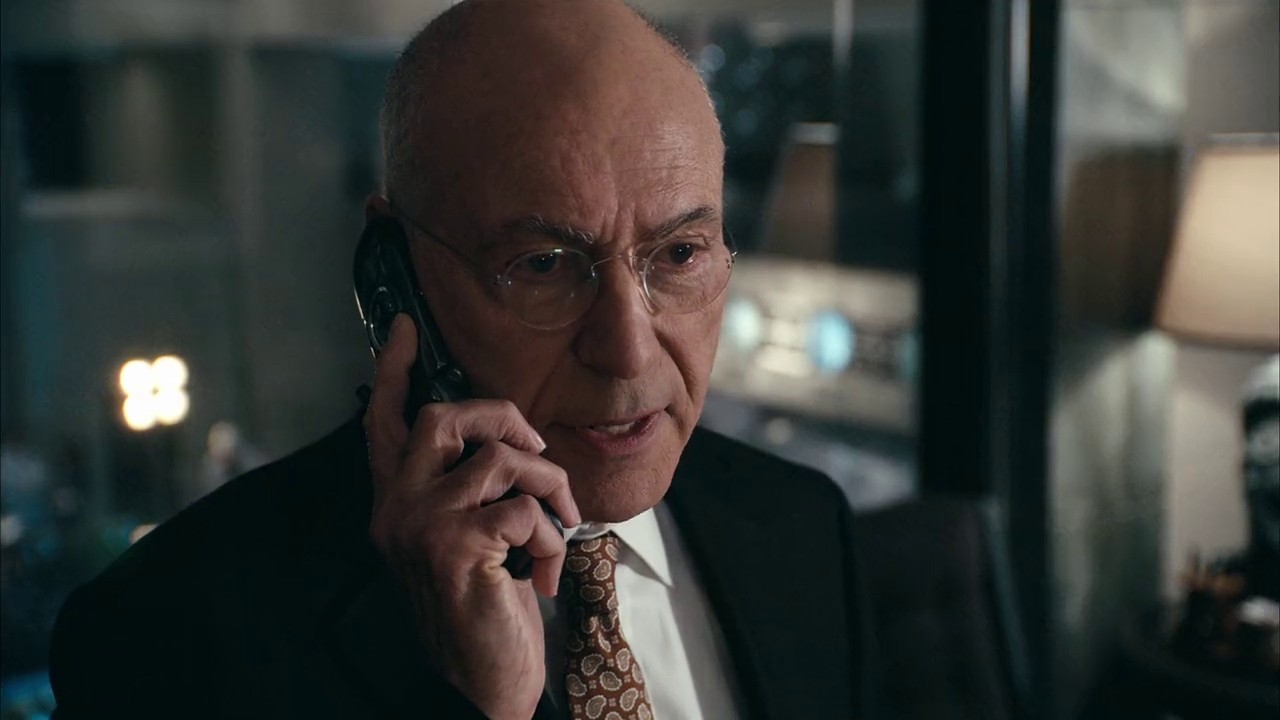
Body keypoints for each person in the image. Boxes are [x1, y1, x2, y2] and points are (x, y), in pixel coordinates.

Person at [48, 1, 877, 718]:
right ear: (395, 274)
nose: (627, 351)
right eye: (544, 265)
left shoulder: (803, 527)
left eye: (681, 254)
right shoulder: (166, 633)